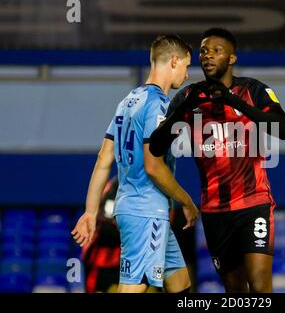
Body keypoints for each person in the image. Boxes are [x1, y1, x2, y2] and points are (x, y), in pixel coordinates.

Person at [149, 28, 285, 293]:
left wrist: (235, 102)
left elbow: (283, 128)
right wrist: (181, 111)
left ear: (232, 58)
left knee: (260, 288)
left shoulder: (254, 90)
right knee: (234, 291)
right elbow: (156, 147)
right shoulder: (189, 97)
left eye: (216, 51)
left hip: (254, 204)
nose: (207, 56)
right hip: (215, 213)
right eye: (203, 51)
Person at [71, 34, 199, 293]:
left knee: (181, 285)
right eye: (186, 66)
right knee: (133, 289)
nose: (186, 75)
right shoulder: (160, 106)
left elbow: (103, 159)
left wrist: (91, 211)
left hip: (136, 209)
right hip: (146, 212)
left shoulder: (128, 101)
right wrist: (187, 201)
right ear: (174, 61)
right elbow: (154, 167)